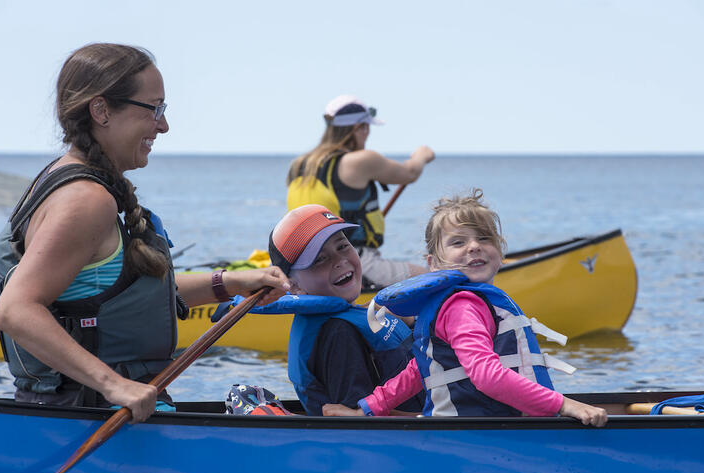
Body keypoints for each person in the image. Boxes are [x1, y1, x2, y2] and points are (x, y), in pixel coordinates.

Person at [0, 43, 290, 423]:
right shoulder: (87, 200)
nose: (163, 125)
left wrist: (230, 282)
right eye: (154, 109)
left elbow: (120, 299)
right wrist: (114, 384)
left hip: (85, 413)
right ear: (101, 111)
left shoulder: (67, 180)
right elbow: (15, 310)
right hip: (93, 418)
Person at [323, 190, 608, 426]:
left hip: (483, 428)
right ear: (433, 263)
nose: (474, 247)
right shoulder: (462, 306)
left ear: (500, 248)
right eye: (458, 242)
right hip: (479, 434)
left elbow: (417, 371)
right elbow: (486, 376)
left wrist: (367, 409)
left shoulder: (469, 300)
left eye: (484, 238)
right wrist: (564, 405)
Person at [249, 204, 425, 415]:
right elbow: (357, 422)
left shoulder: (349, 318)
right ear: (293, 285)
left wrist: (411, 324)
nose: (340, 260)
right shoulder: (338, 333)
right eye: (320, 259)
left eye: (342, 246)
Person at [286, 95, 435, 288]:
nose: (367, 134)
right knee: (433, 280)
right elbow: (410, 172)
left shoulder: (300, 165)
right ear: (360, 128)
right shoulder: (360, 160)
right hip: (349, 258)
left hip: (305, 264)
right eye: (367, 128)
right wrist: (422, 155)